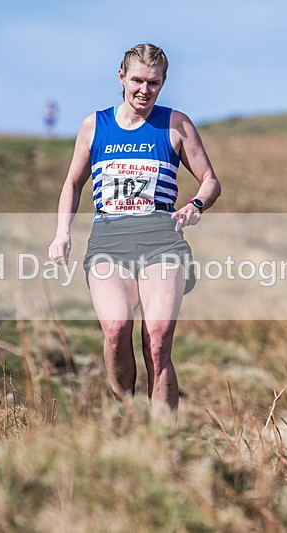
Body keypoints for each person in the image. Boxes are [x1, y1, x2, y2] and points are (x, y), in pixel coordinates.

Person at [48, 43, 221, 417]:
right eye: (138, 80)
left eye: (154, 83)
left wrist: (196, 203)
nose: (145, 90)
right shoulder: (94, 126)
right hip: (109, 238)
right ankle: (127, 414)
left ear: (163, 83)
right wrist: (63, 232)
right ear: (121, 77)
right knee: (116, 328)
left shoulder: (176, 125)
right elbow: (73, 183)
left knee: (157, 341)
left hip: (161, 239)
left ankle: (163, 435)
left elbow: (210, 180)